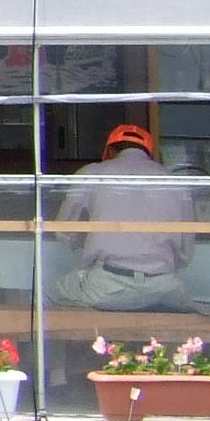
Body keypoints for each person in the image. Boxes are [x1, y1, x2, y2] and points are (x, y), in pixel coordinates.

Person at [54, 123, 196, 311]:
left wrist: (91, 237)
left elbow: (63, 232)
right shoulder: (177, 182)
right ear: (149, 153)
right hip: (165, 286)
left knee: (48, 293)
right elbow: (186, 254)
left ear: (110, 151)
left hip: (107, 285)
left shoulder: (92, 173)